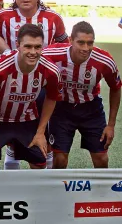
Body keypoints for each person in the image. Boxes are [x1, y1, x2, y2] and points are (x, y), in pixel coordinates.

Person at [0, 0, 68, 169]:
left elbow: (63, 49)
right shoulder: (2, 17)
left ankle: (43, 182)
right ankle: (12, 158)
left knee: (43, 136)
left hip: (42, 86)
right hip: (8, 86)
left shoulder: (53, 18)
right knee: (10, 130)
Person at [0, 24, 62, 170]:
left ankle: (36, 192)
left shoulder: (51, 70)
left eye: (37, 47)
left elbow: (52, 97)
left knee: (39, 162)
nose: (33, 52)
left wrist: (41, 132)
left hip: (27, 119)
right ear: (18, 45)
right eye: (28, 46)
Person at [43, 21, 121, 169]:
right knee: (59, 160)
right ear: (71, 40)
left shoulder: (104, 60)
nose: (86, 48)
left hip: (91, 110)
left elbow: (116, 88)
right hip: (62, 110)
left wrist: (111, 125)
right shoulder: (51, 54)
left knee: (102, 159)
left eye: (90, 43)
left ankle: (102, 192)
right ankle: (57, 191)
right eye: (81, 43)